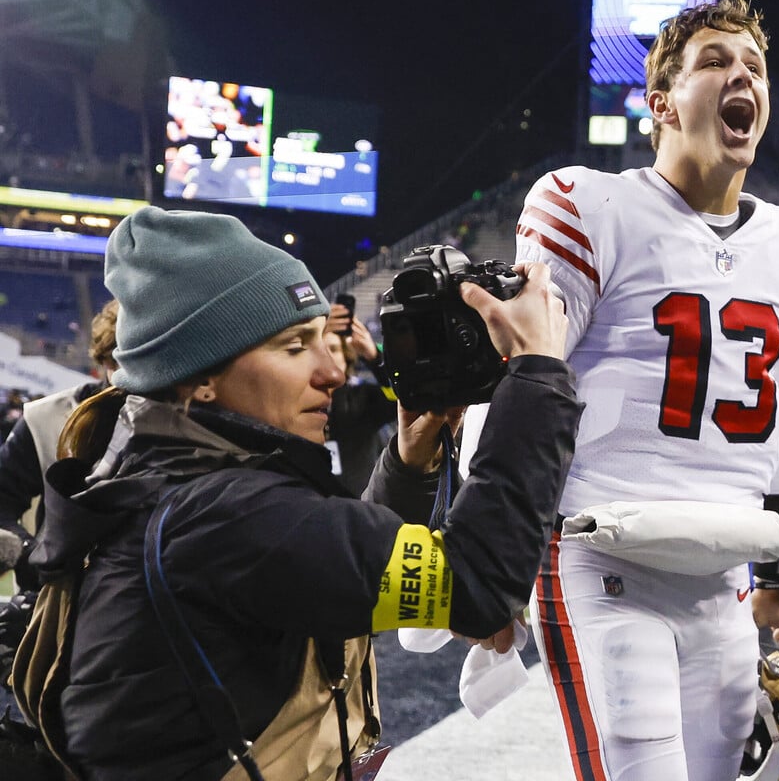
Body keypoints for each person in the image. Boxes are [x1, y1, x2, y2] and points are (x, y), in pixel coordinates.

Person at [11, 206, 581, 781]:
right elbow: (476, 586)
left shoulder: (174, 485)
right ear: (199, 378)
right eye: (292, 347)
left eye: (322, 340)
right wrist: (537, 373)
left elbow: (330, 566)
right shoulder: (227, 512)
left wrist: (408, 465)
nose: (331, 371)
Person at [498, 0, 779, 780]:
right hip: (602, 557)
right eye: (713, 62)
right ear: (661, 105)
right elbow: (527, 381)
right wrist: (494, 555)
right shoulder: (589, 205)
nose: (739, 75)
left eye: (754, 66)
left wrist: (776, 585)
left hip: (720, 573)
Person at [0, 298, 119, 589]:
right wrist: (34, 556)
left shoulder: (182, 417)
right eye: (120, 359)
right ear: (104, 360)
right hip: (55, 602)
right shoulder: (48, 417)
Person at [321, 305, 396, 497]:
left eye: (334, 349)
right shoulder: (297, 399)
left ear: (346, 358)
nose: (328, 355)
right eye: (322, 348)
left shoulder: (363, 397)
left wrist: (375, 358)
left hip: (360, 502)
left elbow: (399, 399)